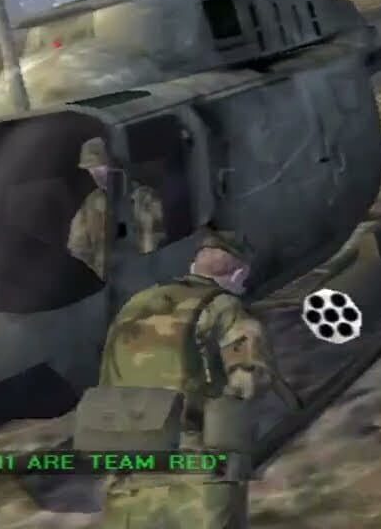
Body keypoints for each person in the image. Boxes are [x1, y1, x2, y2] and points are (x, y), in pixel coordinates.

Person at [82, 229, 302, 529]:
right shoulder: (224, 307)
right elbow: (249, 377)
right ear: (238, 274)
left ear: (194, 266)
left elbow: (108, 378)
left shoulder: (135, 306)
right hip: (196, 465)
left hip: (130, 466)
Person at [67, 138, 166, 276]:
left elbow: (154, 244)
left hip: (140, 276)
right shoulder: (91, 203)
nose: (94, 173)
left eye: (100, 167)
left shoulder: (144, 198)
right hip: (107, 280)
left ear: (113, 165)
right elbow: (78, 248)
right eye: (90, 169)